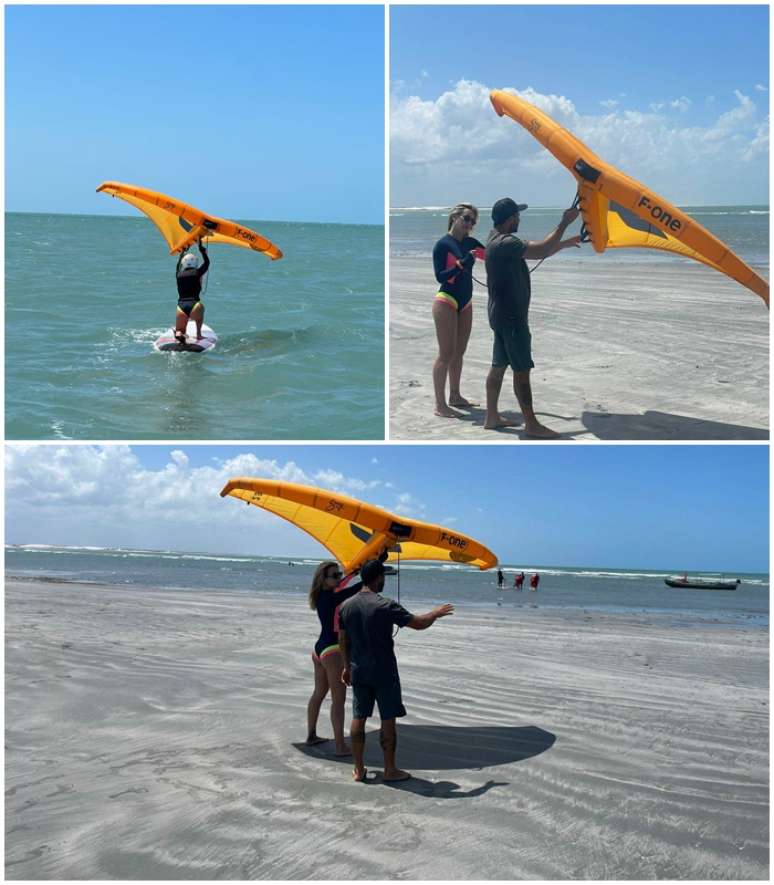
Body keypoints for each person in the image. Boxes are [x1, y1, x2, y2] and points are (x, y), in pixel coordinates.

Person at [338, 558, 454, 782]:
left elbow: (343, 640)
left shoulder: (345, 605)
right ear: (379, 578)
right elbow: (419, 623)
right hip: (384, 671)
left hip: (358, 669)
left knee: (358, 717)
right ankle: (390, 770)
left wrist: (345, 666)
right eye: (383, 578)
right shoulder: (385, 605)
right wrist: (435, 613)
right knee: (388, 719)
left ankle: (359, 769)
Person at [484, 198, 581, 437]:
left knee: (498, 365)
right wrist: (564, 223)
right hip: (512, 318)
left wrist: (564, 244)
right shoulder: (506, 242)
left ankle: (491, 417)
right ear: (509, 219)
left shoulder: (493, 238)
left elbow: (539, 251)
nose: (520, 219)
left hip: (498, 314)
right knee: (521, 370)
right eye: (517, 215)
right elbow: (540, 250)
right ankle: (532, 424)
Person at [305, 560, 365, 756]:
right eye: (334, 575)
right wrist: (369, 575)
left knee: (319, 693)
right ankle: (340, 746)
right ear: (323, 579)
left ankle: (311, 735)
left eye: (339, 574)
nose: (339, 578)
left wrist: (355, 570)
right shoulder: (331, 598)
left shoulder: (324, 595)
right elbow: (352, 590)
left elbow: (344, 584)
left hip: (319, 649)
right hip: (332, 650)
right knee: (338, 700)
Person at [431, 204, 486, 418]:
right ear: (454, 216)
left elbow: (490, 256)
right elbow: (440, 276)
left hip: (466, 303)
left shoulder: (471, 243)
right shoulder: (443, 244)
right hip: (446, 300)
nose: (470, 224)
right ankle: (440, 404)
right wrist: (461, 264)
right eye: (466, 218)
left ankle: (455, 396)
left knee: (459, 352)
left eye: (473, 221)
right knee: (445, 354)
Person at [174, 240, 210, 344]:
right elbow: (207, 263)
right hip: (195, 305)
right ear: (195, 263)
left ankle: (179, 335)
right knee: (200, 314)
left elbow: (177, 267)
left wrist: (182, 253)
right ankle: (198, 335)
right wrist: (202, 251)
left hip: (180, 307)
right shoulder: (197, 272)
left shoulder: (178, 274)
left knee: (180, 330)